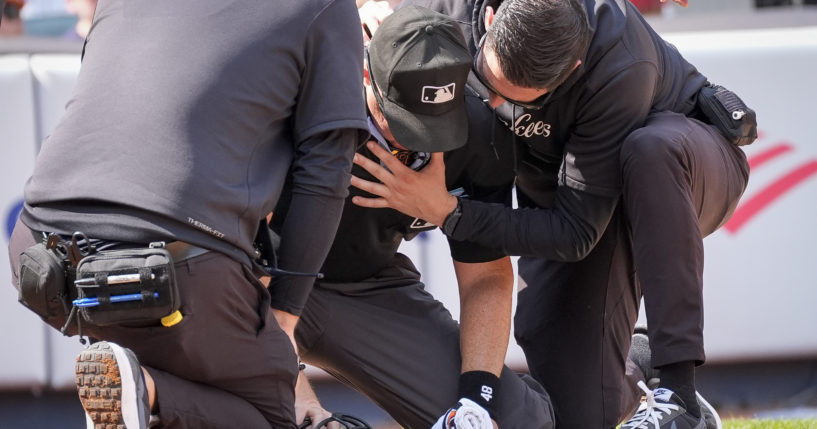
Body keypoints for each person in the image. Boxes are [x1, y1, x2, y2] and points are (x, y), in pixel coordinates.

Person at [350, 0, 750, 428]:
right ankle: (639, 368)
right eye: (489, 84)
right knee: (574, 411)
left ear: (573, 67)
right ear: (489, 18)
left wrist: (449, 212)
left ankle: (678, 394)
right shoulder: (447, 9)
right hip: (574, 199)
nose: (492, 102)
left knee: (650, 150)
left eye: (514, 99)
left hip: (683, 176)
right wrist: (362, 7)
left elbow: (575, 234)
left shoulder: (618, 66)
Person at [6, 0, 368, 428]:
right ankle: (145, 390)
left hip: (37, 254)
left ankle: (139, 393)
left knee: (188, 382)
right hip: (170, 261)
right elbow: (325, 171)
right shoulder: (327, 6)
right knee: (274, 415)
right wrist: (285, 315)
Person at [270, 6, 555, 429]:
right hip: (260, 283)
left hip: (364, 287)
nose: (412, 138)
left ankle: (623, 382)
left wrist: (475, 401)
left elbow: (486, 276)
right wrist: (293, 389)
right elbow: (232, 244)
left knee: (519, 421)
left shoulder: (480, 130)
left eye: (434, 123)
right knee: (262, 405)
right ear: (366, 74)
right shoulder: (299, 98)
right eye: (398, 119)